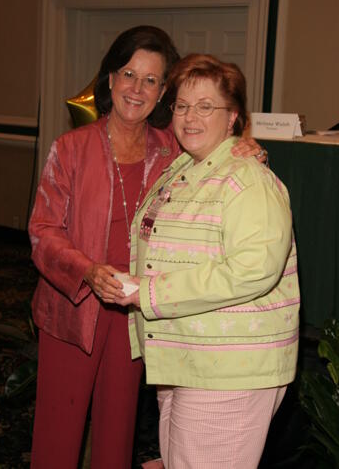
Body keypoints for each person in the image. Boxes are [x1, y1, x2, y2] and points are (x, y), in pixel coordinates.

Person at [28, 28, 266, 469]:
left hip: (139, 312)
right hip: (74, 308)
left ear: (162, 94)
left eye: (152, 80)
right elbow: (43, 231)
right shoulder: (71, 148)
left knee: (118, 437)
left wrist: (246, 146)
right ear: (110, 80)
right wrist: (85, 270)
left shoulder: (175, 149)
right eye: (128, 74)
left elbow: (223, 141)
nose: (137, 89)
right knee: (57, 437)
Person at [118, 54, 300, 469]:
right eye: (182, 105)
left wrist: (146, 292)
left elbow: (253, 269)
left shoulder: (247, 178)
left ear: (233, 116)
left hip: (229, 368)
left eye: (206, 106)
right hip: (188, 356)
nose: (190, 116)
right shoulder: (183, 167)